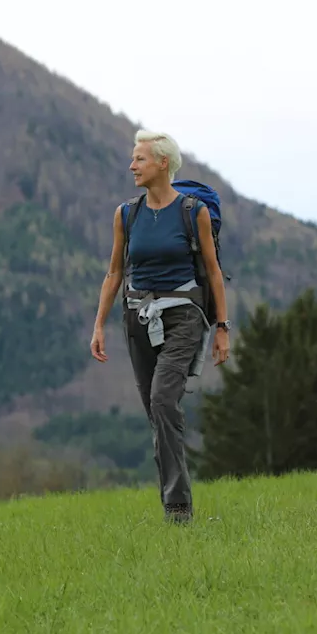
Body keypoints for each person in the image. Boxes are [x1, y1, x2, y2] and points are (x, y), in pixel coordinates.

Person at [90, 130, 231, 524]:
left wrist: (222, 327)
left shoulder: (192, 212)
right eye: (133, 159)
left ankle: (177, 508)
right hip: (136, 317)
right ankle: (175, 499)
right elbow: (115, 271)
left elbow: (214, 273)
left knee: (163, 401)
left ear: (162, 163)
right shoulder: (126, 214)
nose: (132, 166)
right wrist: (98, 325)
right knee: (157, 414)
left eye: (140, 159)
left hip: (183, 315)